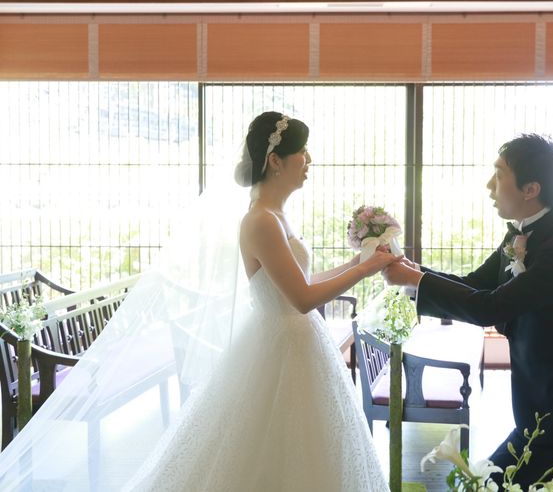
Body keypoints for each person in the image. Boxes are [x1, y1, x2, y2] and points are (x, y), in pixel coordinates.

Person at [120, 111, 394, 491]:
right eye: (302, 151)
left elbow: (299, 283)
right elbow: (302, 299)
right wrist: (364, 271)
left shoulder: (276, 215)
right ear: (275, 160)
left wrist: (356, 262)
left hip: (298, 342)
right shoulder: (261, 221)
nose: (309, 160)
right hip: (282, 346)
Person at [383, 134, 553, 490]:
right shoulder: (519, 236)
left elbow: (491, 306)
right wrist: (414, 274)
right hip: (537, 404)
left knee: (492, 483)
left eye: (499, 174)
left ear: (531, 189)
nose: (490, 185)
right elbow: (477, 284)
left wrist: (415, 279)